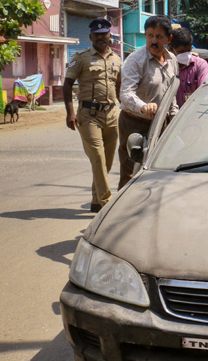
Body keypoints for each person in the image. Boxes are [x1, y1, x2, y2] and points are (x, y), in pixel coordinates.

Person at [62, 18, 122, 213]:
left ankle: (96, 200)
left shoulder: (117, 59)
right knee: (97, 157)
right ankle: (107, 203)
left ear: (109, 36)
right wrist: (70, 113)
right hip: (88, 115)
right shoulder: (81, 57)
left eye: (103, 34)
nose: (100, 37)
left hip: (112, 114)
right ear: (90, 37)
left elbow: (120, 87)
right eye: (96, 35)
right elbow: (67, 84)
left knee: (108, 161)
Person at [118, 15, 179, 189]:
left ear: (169, 39)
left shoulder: (172, 60)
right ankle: (123, 212)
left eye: (159, 37)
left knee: (158, 170)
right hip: (134, 123)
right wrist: (143, 106)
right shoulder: (135, 60)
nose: (154, 40)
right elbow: (126, 93)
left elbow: (171, 93)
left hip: (161, 123)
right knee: (130, 171)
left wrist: (175, 119)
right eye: (150, 35)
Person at [169, 27, 208, 107]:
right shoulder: (167, 67)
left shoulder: (200, 65)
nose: (186, 54)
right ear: (171, 49)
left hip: (194, 112)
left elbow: (205, 91)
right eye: (181, 52)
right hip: (172, 116)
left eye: (188, 51)